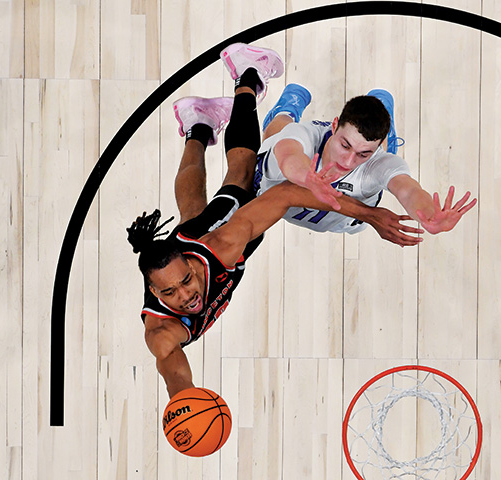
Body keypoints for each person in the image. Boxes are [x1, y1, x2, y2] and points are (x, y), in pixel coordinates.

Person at [128, 44, 421, 399]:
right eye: (170, 292)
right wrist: (185, 401)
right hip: (196, 248)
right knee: (191, 216)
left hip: (215, 241)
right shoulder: (162, 331)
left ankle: (246, 76)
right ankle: (199, 124)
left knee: (241, 172)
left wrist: (372, 215)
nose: (186, 296)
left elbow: (285, 193)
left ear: (191, 264)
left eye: (186, 281)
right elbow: (173, 368)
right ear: (154, 291)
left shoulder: (223, 243)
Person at [253, 83, 478, 238]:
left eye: (363, 154)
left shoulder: (380, 163)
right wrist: (306, 179)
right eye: (345, 145)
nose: (349, 161)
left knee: (385, 153)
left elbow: (409, 191)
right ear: (334, 126)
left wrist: (429, 214)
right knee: (277, 135)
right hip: (276, 187)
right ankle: (288, 108)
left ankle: (384, 121)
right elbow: (289, 155)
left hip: (343, 222)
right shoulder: (305, 135)